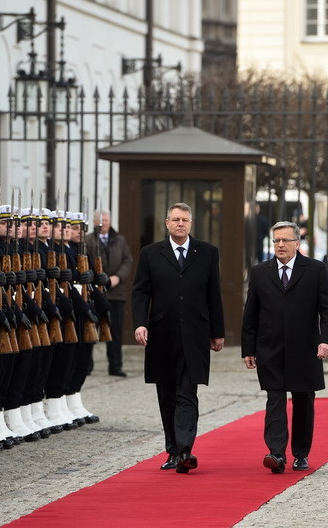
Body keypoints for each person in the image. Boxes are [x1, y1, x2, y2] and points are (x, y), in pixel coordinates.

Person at [131, 202, 225, 474]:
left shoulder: (207, 253)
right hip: (162, 333)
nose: (180, 223)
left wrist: (217, 332)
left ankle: (185, 450)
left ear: (191, 223)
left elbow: (214, 294)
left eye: (184, 219)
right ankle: (173, 450)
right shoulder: (151, 254)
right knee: (167, 394)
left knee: (187, 391)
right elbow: (140, 292)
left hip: (195, 333)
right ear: (167, 223)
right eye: (175, 219)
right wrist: (140, 324)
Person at [241, 221, 328, 474]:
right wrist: (248, 349)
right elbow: (250, 313)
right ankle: (276, 453)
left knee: (303, 401)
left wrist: (326, 340)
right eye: (276, 241)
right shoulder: (260, 272)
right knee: (274, 399)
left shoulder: (316, 270)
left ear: (297, 243)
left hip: (305, 348)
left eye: (285, 240)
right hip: (270, 347)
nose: (280, 245)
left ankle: (301, 453)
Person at [85, 209, 132, 376]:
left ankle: (116, 366)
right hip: (95, 293)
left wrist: (117, 277)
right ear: (94, 222)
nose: (103, 223)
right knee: (90, 330)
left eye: (105, 220)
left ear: (110, 222)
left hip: (115, 293)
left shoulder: (120, 240)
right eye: (100, 220)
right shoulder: (88, 240)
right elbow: (85, 262)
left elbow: (128, 261)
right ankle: (87, 366)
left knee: (115, 332)